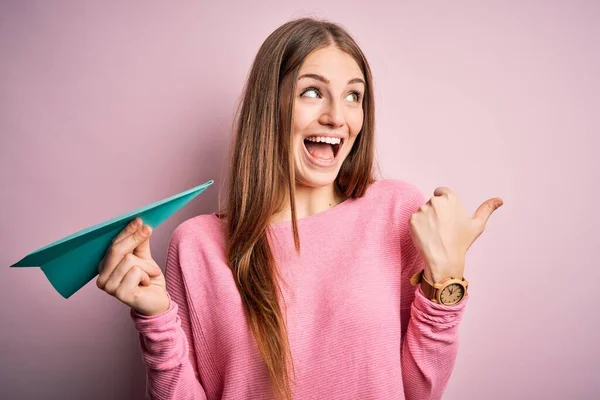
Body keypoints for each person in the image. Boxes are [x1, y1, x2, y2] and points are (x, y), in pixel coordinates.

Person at [96, 17, 503, 400]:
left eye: (353, 96)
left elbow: (419, 392)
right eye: (312, 92)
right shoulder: (198, 245)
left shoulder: (396, 212)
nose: (336, 117)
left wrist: (447, 276)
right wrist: (155, 319)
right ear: (269, 106)